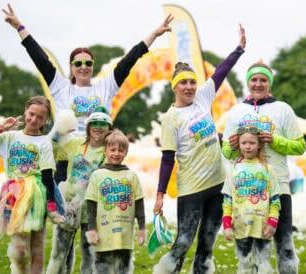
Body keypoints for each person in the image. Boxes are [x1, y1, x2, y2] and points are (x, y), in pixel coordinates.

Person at [2, 3, 173, 183]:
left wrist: (154, 34)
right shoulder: (60, 86)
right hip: (66, 158)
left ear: (93, 66)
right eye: (78, 64)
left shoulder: (106, 86)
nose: (83, 67)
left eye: (88, 63)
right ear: (71, 67)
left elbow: (130, 59)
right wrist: (19, 27)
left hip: (97, 157)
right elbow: (39, 57)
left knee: (93, 208)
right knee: (65, 208)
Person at [152, 25, 246, 273]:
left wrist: (238, 50)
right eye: (184, 83)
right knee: (183, 241)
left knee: (207, 243)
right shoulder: (171, 118)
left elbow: (221, 72)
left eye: (193, 82)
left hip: (217, 185)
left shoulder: (203, 98)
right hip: (191, 189)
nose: (190, 87)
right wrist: (160, 193)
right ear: (175, 87)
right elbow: (167, 158)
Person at [222, 61, 306, 274]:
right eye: (254, 79)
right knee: (247, 245)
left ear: (270, 83)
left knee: (284, 241)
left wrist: (276, 141)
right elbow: (226, 152)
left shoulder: (283, 109)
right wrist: (232, 147)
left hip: (278, 185)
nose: (258, 84)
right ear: (248, 82)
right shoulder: (236, 111)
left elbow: (300, 146)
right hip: (245, 189)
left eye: (263, 80)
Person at [0, 96, 64, 274]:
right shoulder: (10, 137)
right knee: (20, 250)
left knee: (37, 247)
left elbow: (47, 176)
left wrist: (52, 205)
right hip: (14, 195)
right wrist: (0, 128)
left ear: (46, 120)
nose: (34, 119)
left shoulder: (44, 142)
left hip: (37, 195)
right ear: (25, 111)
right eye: (31, 114)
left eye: (40, 117)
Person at [46, 110, 112, 274]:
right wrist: (59, 129)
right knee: (59, 253)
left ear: (109, 128)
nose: (98, 127)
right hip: (69, 205)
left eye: (102, 124)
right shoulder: (74, 143)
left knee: (89, 256)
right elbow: (50, 146)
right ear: (88, 127)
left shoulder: (110, 150)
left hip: (93, 209)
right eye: (94, 124)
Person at [85, 129, 145, 273]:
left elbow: (139, 204)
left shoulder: (131, 176)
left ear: (126, 152)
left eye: (121, 150)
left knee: (123, 270)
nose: (116, 153)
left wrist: (142, 229)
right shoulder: (97, 175)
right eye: (112, 149)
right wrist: (91, 229)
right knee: (102, 269)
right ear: (105, 150)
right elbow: (91, 204)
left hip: (125, 237)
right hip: (103, 236)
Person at [222, 126, 280, 274]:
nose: (247, 146)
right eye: (244, 143)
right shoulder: (233, 170)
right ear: (239, 144)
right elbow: (227, 200)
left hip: (263, 227)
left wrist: (272, 222)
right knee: (245, 266)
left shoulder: (268, 169)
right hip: (241, 227)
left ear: (259, 144)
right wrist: (227, 224)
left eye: (252, 143)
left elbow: (275, 200)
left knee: (264, 266)